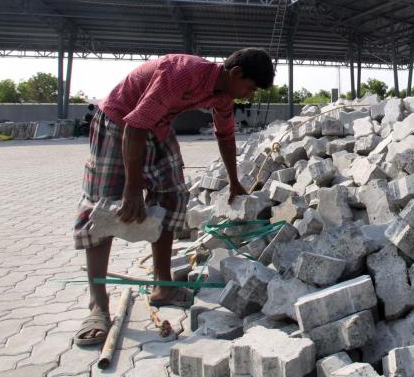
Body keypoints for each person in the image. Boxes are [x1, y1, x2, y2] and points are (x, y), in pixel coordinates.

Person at [72, 48, 275, 346]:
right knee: (104, 207)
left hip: (156, 126)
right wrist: (132, 189)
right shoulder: (181, 73)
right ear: (235, 74)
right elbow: (134, 125)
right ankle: (98, 305)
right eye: (250, 88)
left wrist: (234, 182)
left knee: (172, 196)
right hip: (118, 122)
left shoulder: (223, 95)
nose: (249, 95)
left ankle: (162, 286)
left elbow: (226, 136)